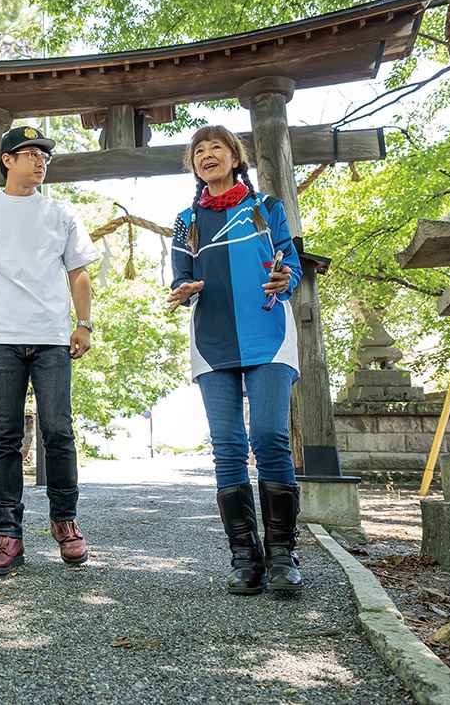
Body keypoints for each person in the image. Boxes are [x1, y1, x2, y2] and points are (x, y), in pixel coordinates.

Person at [0, 125, 99, 576]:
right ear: (7, 160)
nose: (40, 161)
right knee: (6, 436)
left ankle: (65, 521)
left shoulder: (61, 212)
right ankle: (7, 534)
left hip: (52, 337)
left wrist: (84, 324)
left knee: (58, 431)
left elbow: (78, 272)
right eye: (30, 153)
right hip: (2, 338)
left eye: (44, 156)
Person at [166, 125, 304, 596]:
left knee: (269, 437)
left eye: (216, 148)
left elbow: (292, 264)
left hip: (269, 332)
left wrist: (285, 278)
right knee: (227, 446)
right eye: (199, 151)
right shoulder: (185, 221)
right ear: (193, 165)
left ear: (234, 156)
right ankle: (244, 556)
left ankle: (283, 553)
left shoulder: (267, 208)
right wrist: (184, 290)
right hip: (213, 340)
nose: (207, 155)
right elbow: (180, 277)